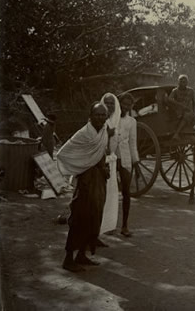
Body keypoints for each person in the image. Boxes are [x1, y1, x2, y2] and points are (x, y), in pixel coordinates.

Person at [57, 102, 110, 272]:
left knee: (94, 218)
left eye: (104, 115)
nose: (101, 118)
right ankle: (68, 259)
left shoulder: (104, 131)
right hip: (86, 181)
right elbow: (63, 153)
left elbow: (102, 154)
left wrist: (103, 168)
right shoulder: (83, 134)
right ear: (91, 116)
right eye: (98, 114)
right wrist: (81, 166)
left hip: (99, 180)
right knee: (79, 218)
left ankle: (81, 254)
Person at [115, 93, 140, 237]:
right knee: (107, 192)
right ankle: (104, 225)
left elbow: (132, 143)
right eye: (124, 104)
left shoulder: (132, 122)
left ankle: (124, 225)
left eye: (129, 105)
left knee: (126, 192)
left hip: (125, 158)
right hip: (112, 158)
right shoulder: (111, 119)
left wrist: (135, 161)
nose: (126, 107)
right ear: (119, 103)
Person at [100, 93, 121, 237]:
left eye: (112, 103)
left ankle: (106, 227)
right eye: (107, 103)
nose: (109, 106)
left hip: (111, 161)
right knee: (100, 196)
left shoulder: (117, 120)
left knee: (111, 195)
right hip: (100, 162)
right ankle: (97, 229)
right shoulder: (100, 119)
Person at [167, 74, 195, 140]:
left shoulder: (191, 91)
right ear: (178, 82)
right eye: (181, 81)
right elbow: (169, 99)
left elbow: (194, 103)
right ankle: (176, 134)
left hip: (187, 110)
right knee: (187, 115)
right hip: (177, 111)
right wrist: (179, 104)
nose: (183, 83)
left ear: (187, 82)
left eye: (185, 82)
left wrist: (194, 112)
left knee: (193, 116)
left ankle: (187, 133)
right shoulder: (175, 91)